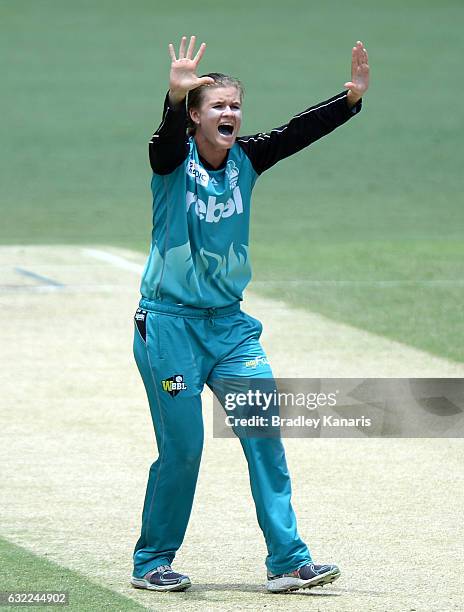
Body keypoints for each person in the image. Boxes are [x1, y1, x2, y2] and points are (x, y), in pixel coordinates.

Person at [130, 35, 369, 593]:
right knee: (184, 448)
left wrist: (350, 98)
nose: (229, 113)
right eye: (216, 105)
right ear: (195, 116)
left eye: (234, 105)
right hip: (169, 328)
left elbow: (294, 133)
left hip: (231, 329)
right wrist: (172, 96)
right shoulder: (172, 163)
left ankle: (288, 560)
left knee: (264, 435)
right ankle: (151, 562)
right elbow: (162, 144)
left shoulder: (247, 159)